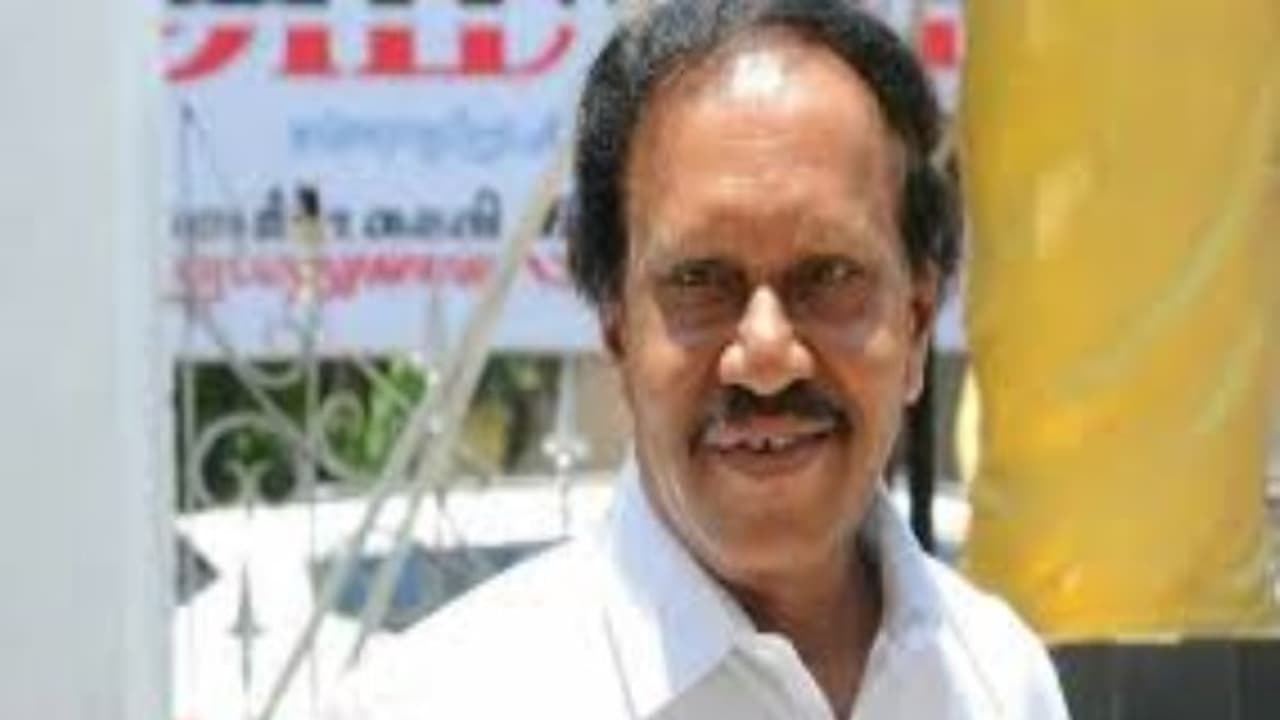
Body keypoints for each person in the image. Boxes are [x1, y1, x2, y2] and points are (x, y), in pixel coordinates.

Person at [326, 1, 1069, 717]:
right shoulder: (437, 700)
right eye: (699, 281)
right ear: (617, 331)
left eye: (830, 276)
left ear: (915, 323)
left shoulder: (999, 679)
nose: (767, 354)